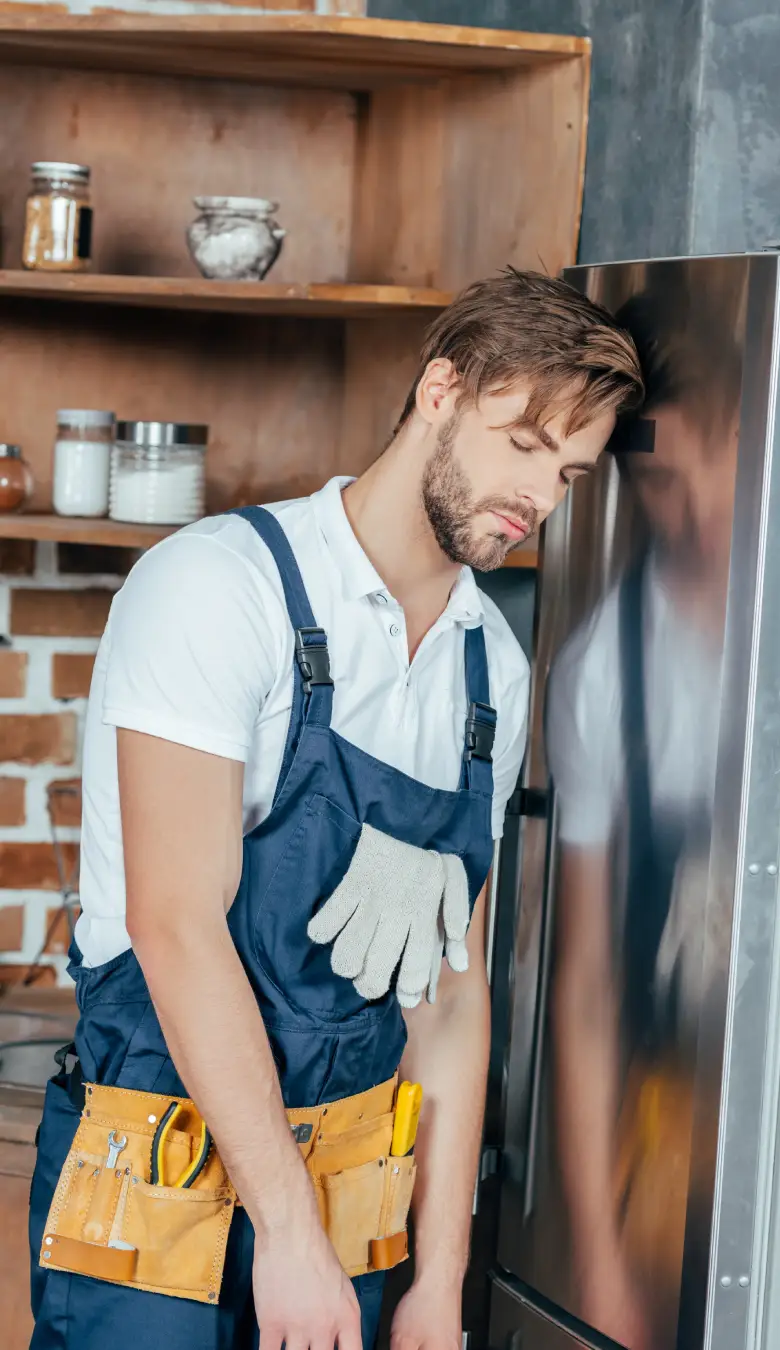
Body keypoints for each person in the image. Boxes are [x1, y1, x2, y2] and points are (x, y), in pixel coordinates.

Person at [28, 269, 644, 1350]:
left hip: (355, 1214)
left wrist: (437, 1281)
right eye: (524, 444)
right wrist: (287, 1234)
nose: (540, 498)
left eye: (572, 474)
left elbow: (448, 1003)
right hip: (159, 1188)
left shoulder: (488, 675)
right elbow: (177, 929)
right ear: (444, 388)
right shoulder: (223, 588)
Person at [546, 267, 747, 1349]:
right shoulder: (603, 674)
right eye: (663, 483)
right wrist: (600, 1254)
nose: (698, 506)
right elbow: (585, 986)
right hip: (674, 1118)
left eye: (716, 457)